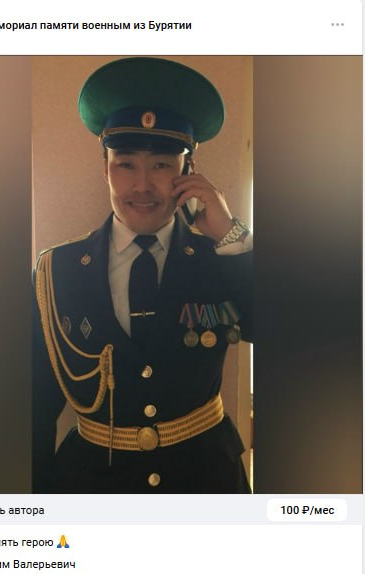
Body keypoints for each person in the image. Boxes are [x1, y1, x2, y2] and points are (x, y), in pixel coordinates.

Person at [33, 57, 252, 493]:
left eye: (162, 165)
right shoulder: (57, 272)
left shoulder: (221, 258)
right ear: (105, 169)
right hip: (93, 491)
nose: (142, 186)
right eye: (126, 164)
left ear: (188, 171)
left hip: (206, 487)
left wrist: (233, 236)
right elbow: (33, 407)